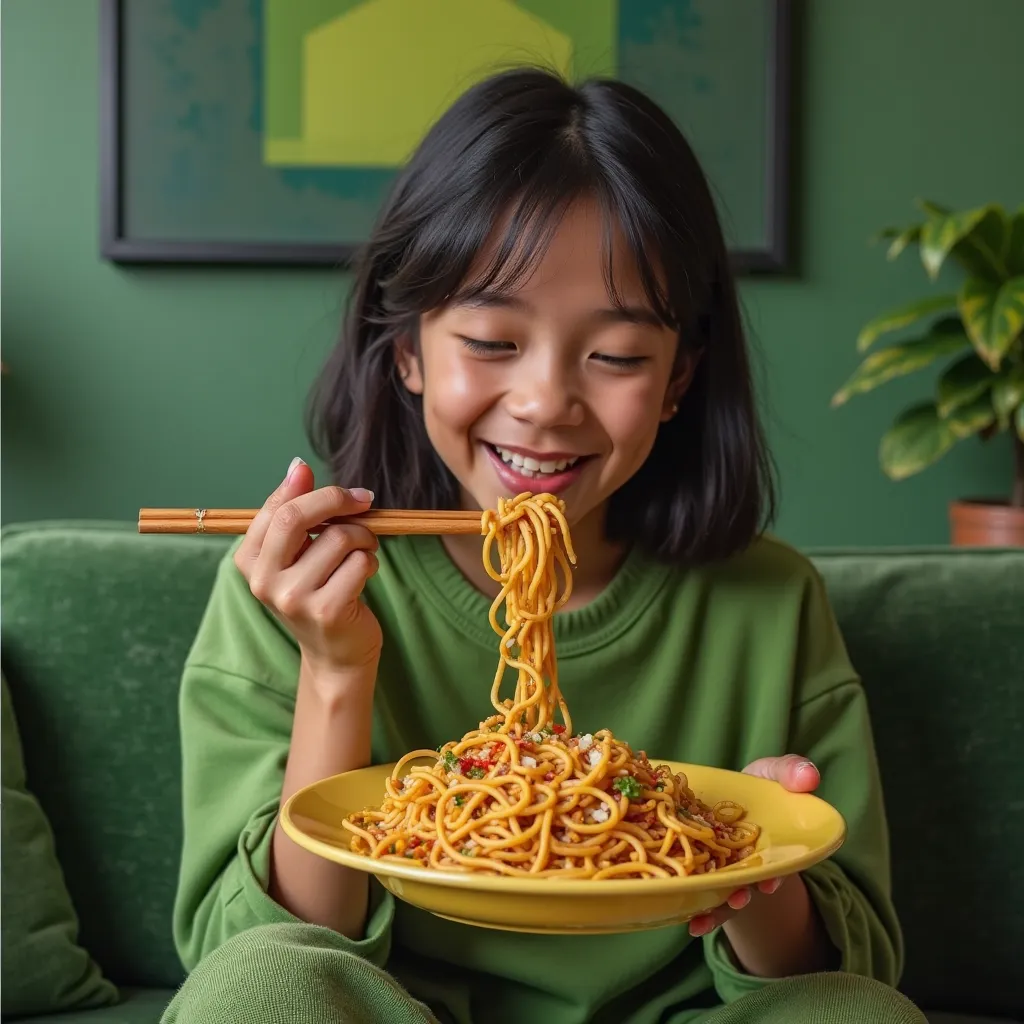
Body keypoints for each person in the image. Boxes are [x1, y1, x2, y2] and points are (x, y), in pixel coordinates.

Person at [162, 68, 926, 1024]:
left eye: (615, 357)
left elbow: (851, 964)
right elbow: (258, 954)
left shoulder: (769, 601)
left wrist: (760, 863)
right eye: (490, 340)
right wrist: (333, 670)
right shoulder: (297, 588)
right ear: (407, 351)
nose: (545, 403)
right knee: (255, 992)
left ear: (680, 377)